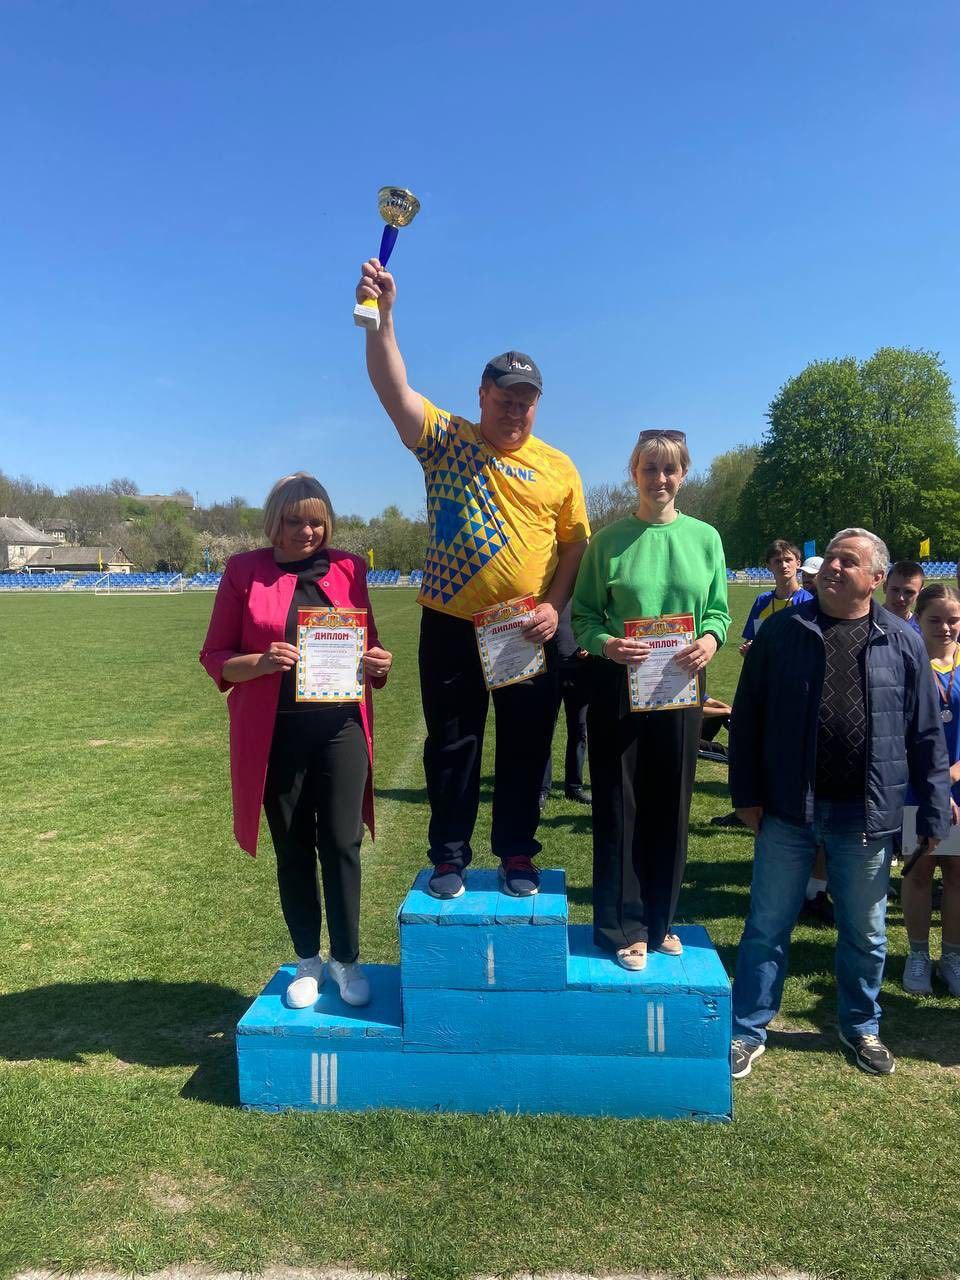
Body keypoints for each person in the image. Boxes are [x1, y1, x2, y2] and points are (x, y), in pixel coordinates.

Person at [356, 259, 589, 900]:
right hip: (452, 622)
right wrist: (382, 319)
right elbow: (392, 389)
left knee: (525, 746)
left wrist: (555, 606)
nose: (515, 410)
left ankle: (517, 852)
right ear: (482, 395)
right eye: (504, 398)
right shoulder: (448, 440)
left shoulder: (559, 466)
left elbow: (574, 545)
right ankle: (449, 857)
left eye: (525, 402)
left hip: (526, 627)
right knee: (453, 745)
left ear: (537, 405)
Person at [728, 528, 950, 1078]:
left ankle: (861, 1027)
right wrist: (746, 794)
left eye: (848, 561)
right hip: (787, 809)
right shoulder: (783, 630)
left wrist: (933, 810)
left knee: (866, 933)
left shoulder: (902, 641)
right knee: (766, 925)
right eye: (830, 557)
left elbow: (926, 734)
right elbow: (747, 717)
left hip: (865, 816)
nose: (832, 566)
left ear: (876, 578)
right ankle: (747, 1028)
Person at [199, 473, 392, 1009]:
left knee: (343, 843)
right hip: (275, 733)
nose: (307, 531)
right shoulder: (243, 571)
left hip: (340, 728)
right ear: (274, 521)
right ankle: (308, 959)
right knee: (293, 848)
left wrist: (378, 663)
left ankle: (346, 959)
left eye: (316, 521)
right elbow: (215, 657)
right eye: (294, 521)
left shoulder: (350, 568)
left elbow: (370, 644)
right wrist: (260, 662)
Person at [572, 429, 731, 970]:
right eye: (649, 468)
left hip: (682, 685)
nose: (659, 479)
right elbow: (584, 615)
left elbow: (718, 611)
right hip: (620, 686)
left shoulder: (705, 539)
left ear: (683, 475)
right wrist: (606, 644)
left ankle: (660, 921)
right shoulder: (608, 542)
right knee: (620, 805)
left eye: (669, 469)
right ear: (633, 473)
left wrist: (710, 641)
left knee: (671, 804)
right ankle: (623, 925)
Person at [900, 583, 960, 996]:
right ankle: (918, 955)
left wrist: (950, 780)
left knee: (957, 872)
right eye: (935, 619)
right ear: (918, 619)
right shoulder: (907, 664)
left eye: (953, 620)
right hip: (916, 786)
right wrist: (934, 785)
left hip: (958, 788)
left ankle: (952, 957)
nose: (945, 627)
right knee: (919, 869)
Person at [540, 602, 591, 808]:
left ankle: (574, 786)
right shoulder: (548, 593)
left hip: (580, 670)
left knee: (580, 730)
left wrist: (590, 645)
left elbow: (595, 620)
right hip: (548, 668)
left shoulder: (584, 592)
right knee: (545, 730)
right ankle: (542, 789)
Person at [739, 539, 813, 657]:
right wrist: (748, 649)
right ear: (769, 566)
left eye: (788, 560)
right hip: (764, 668)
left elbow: (813, 646)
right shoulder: (762, 601)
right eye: (778, 561)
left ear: (798, 563)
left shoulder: (808, 601)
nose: (783, 565)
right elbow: (751, 638)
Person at [883, 560, 925, 634]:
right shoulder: (867, 623)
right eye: (895, 590)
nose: (900, 598)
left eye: (909, 592)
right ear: (885, 588)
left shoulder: (924, 631)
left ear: (920, 594)